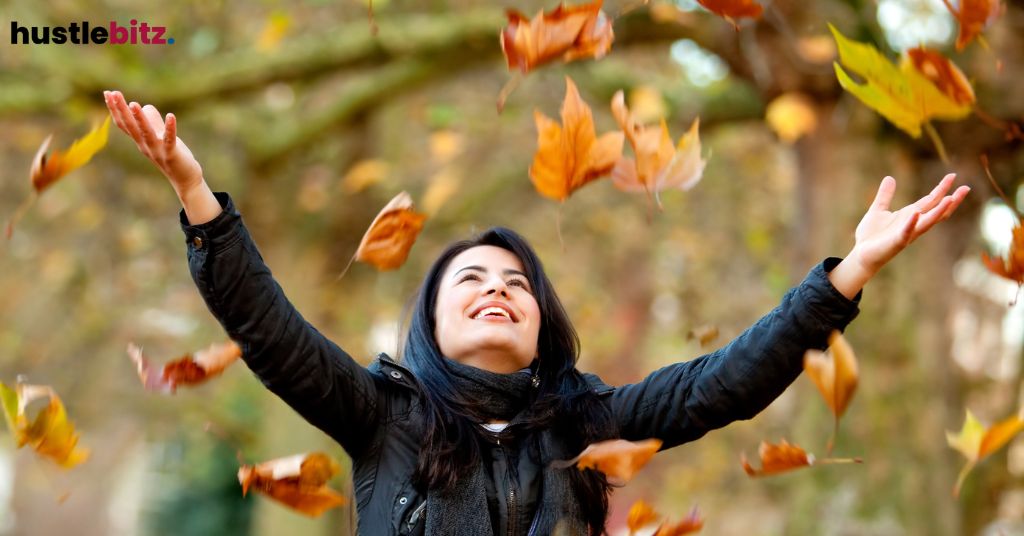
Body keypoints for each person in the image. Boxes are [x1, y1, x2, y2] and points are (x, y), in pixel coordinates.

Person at [103, 89, 969, 535]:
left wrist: (848, 270)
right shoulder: (380, 418)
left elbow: (728, 381)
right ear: (431, 326)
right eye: (471, 279)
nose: (498, 290)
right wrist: (194, 192)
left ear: (541, 326)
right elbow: (269, 329)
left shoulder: (592, 425)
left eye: (518, 284)